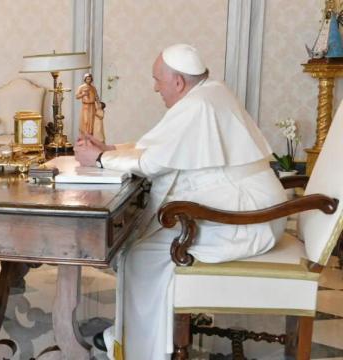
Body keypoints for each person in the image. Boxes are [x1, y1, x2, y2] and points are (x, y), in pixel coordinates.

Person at [74, 44, 287, 359]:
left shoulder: (198, 105)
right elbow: (162, 148)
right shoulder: (208, 92)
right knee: (141, 243)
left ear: (178, 82)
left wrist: (102, 158)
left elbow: (154, 162)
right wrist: (111, 148)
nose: (155, 87)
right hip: (249, 207)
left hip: (247, 220)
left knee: (139, 253)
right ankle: (129, 334)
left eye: (158, 80)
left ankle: (139, 348)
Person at [76, 73, 105, 142]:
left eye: (90, 79)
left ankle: (91, 138)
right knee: (86, 121)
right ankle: (85, 137)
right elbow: (77, 96)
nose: (88, 80)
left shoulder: (93, 87)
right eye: (87, 79)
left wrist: (99, 104)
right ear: (85, 79)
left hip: (92, 106)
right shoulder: (81, 87)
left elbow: (96, 96)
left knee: (92, 122)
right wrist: (83, 94)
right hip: (86, 106)